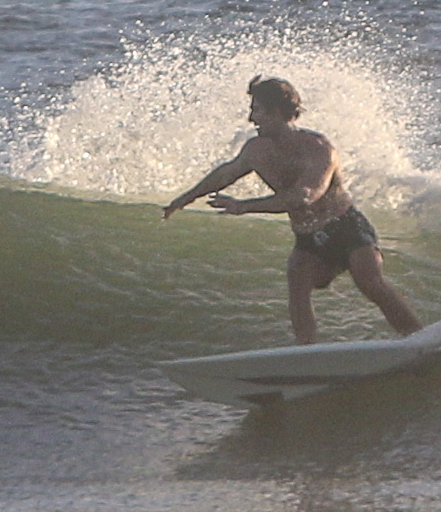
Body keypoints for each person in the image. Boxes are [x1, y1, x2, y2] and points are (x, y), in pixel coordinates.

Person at [163, 75, 422, 344]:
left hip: (346, 228)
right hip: (308, 236)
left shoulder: (319, 149)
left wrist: (244, 207)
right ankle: (307, 355)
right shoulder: (256, 149)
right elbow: (226, 173)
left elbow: (305, 196)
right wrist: (185, 198)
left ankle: (418, 339)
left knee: (370, 282)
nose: (252, 120)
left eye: (257, 111)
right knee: (298, 286)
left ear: (277, 113)